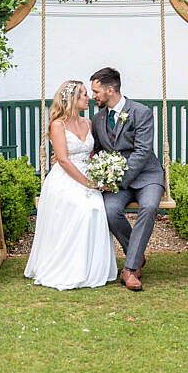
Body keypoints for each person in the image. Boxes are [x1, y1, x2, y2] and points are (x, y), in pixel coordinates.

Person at [24, 80, 118, 290]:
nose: (88, 98)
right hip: (65, 178)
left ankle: (90, 268)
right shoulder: (58, 125)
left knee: (96, 209)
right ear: (73, 100)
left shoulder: (88, 123)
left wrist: (102, 172)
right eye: (84, 94)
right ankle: (68, 267)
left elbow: (92, 153)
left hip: (88, 174)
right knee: (81, 209)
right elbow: (64, 160)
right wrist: (88, 183)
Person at [90, 67, 165, 291]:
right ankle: (137, 255)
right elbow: (94, 149)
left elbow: (142, 152)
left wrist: (118, 179)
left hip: (147, 175)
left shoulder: (141, 112)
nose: (93, 96)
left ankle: (130, 269)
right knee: (110, 210)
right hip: (117, 181)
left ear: (110, 90)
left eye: (96, 91)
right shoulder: (97, 118)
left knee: (150, 207)